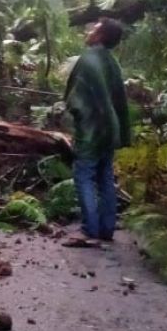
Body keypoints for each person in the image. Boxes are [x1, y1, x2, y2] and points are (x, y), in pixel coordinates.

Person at [63, 17, 131, 242]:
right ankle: (107, 228)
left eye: (95, 29)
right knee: (105, 177)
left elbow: (76, 99)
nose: (89, 31)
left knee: (84, 176)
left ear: (100, 36)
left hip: (91, 130)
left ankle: (89, 229)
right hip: (109, 130)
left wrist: (74, 114)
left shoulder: (88, 60)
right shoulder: (112, 62)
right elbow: (119, 100)